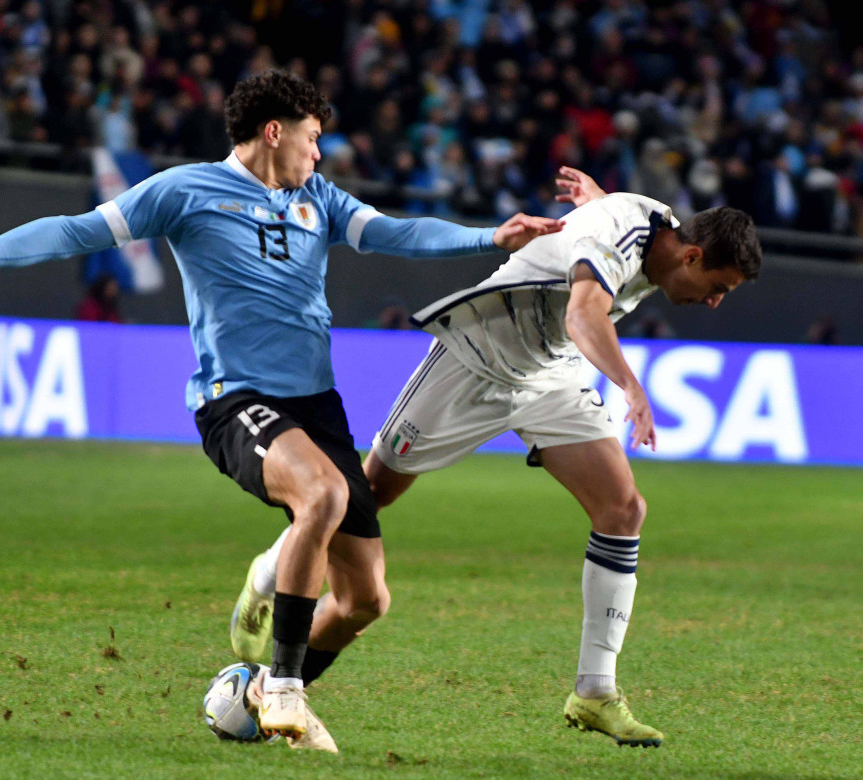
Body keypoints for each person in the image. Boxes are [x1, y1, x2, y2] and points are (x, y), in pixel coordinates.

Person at [0, 69, 560, 753]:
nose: (319, 155)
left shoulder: (316, 198)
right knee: (320, 494)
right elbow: (74, 231)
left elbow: (397, 232)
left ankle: (264, 664)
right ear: (275, 132)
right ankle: (288, 687)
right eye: (313, 139)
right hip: (236, 401)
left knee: (366, 601)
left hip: (317, 407)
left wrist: (489, 240)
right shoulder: (185, 191)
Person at [230, 167, 762, 748]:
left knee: (623, 509)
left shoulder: (651, 225)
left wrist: (592, 204)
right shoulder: (622, 231)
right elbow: (583, 313)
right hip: (476, 357)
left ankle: (594, 691)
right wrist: (631, 387)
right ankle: (271, 568)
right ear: (690, 255)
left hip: (549, 376)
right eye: (719, 286)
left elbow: (613, 225)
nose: (713, 302)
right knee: (368, 494)